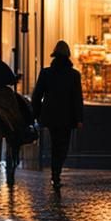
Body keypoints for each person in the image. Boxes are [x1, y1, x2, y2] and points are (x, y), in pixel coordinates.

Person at [32, 40, 84, 190]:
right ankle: (56, 173)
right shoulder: (74, 75)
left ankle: (55, 174)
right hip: (68, 116)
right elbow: (77, 98)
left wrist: (37, 114)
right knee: (63, 146)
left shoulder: (46, 73)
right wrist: (79, 118)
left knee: (55, 144)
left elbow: (37, 96)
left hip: (51, 115)